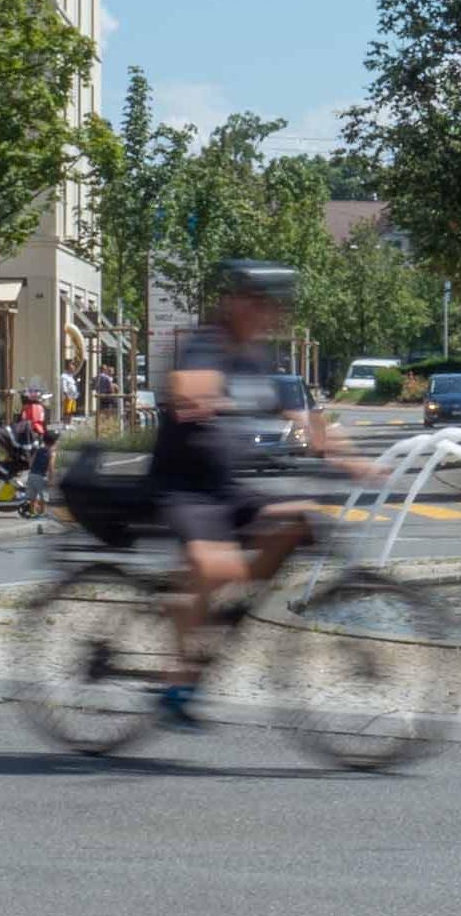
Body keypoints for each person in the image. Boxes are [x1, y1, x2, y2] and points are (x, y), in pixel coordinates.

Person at [144, 260, 369, 731]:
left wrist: (350, 458)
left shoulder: (254, 358)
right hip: (186, 487)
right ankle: (176, 680)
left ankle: (220, 612)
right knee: (217, 566)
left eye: (275, 308)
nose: (270, 316)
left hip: (230, 487)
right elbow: (185, 385)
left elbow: (299, 416)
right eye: (262, 305)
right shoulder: (205, 344)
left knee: (300, 521)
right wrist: (199, 397)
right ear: (235, 302)